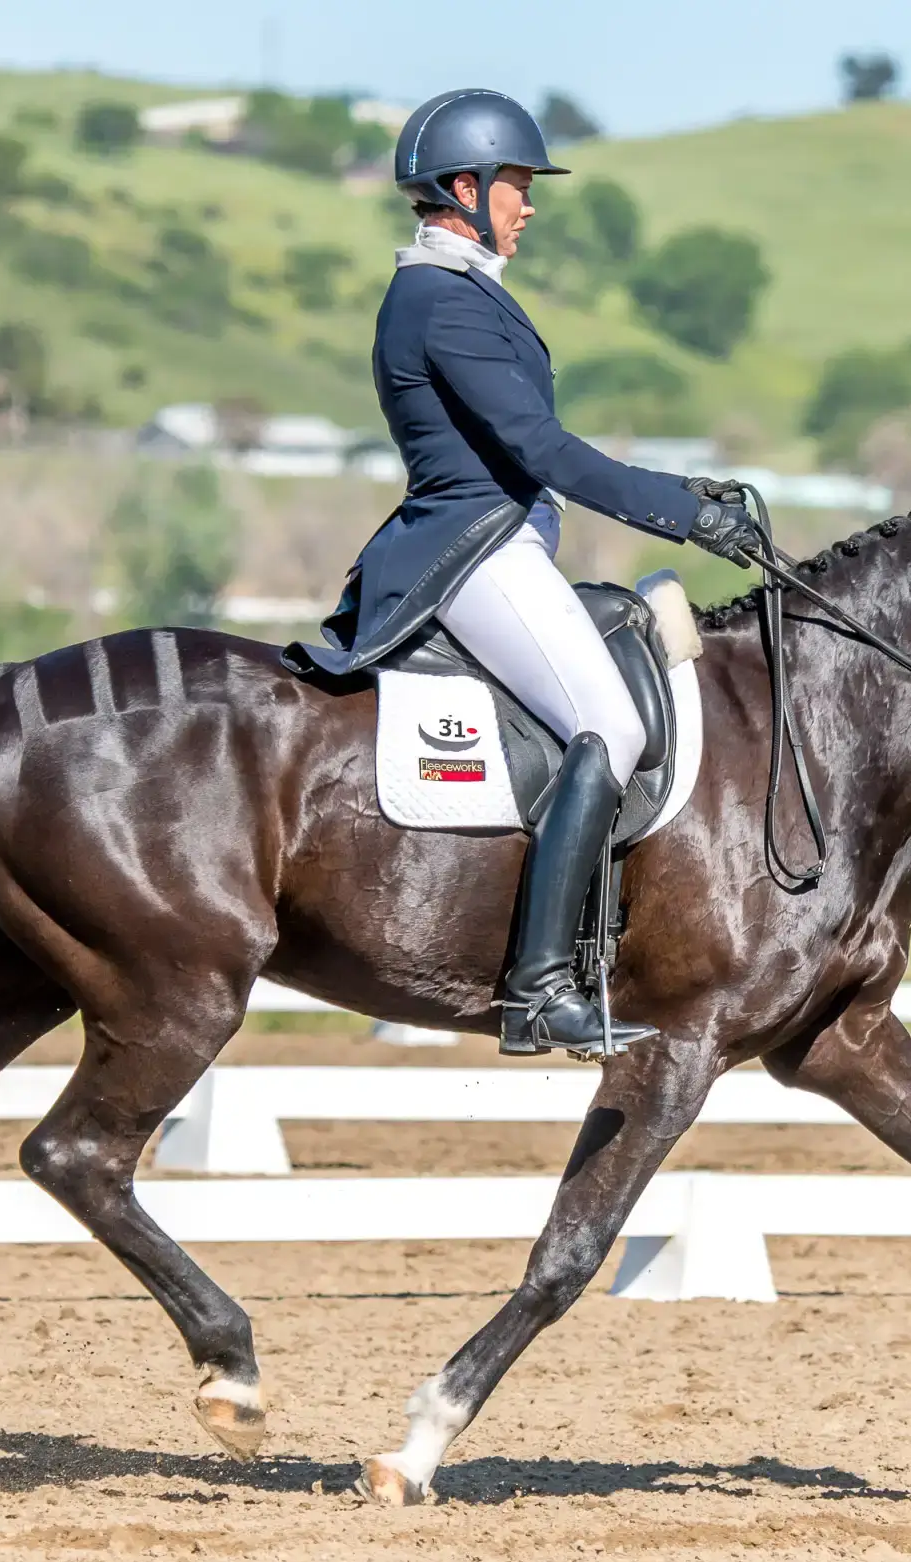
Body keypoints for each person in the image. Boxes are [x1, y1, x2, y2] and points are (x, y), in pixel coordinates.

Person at [286, 88, 762, 1056]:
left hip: (500, 541)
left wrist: (687, 494)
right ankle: (540, 987)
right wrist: (682, 512)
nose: (530, 205)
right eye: (516, 185)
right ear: (464, 188)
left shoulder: (462, 289)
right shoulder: (439, 299)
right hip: (473, 547)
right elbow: (542, 448)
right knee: (611, 725)